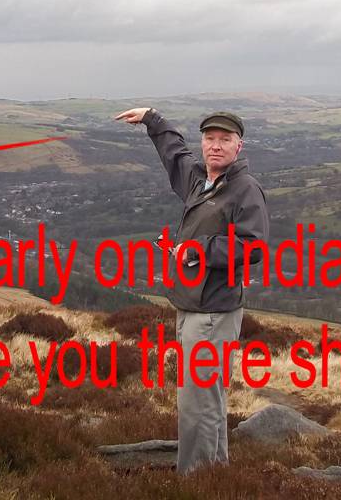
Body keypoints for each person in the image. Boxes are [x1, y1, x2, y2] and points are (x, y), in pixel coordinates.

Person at [114, 106, 269, 474]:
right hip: (191, 305)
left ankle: (195, 480)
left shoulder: (244, 189)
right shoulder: (200, 180)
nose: (215, 145)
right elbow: (174, 154)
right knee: (206, 399)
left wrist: (200, 249)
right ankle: (214, 474)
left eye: (225, 140)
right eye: (210, 138)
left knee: (197, 403)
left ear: (238, 146)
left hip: (213, 312)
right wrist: (152, 119)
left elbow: (253, 246)